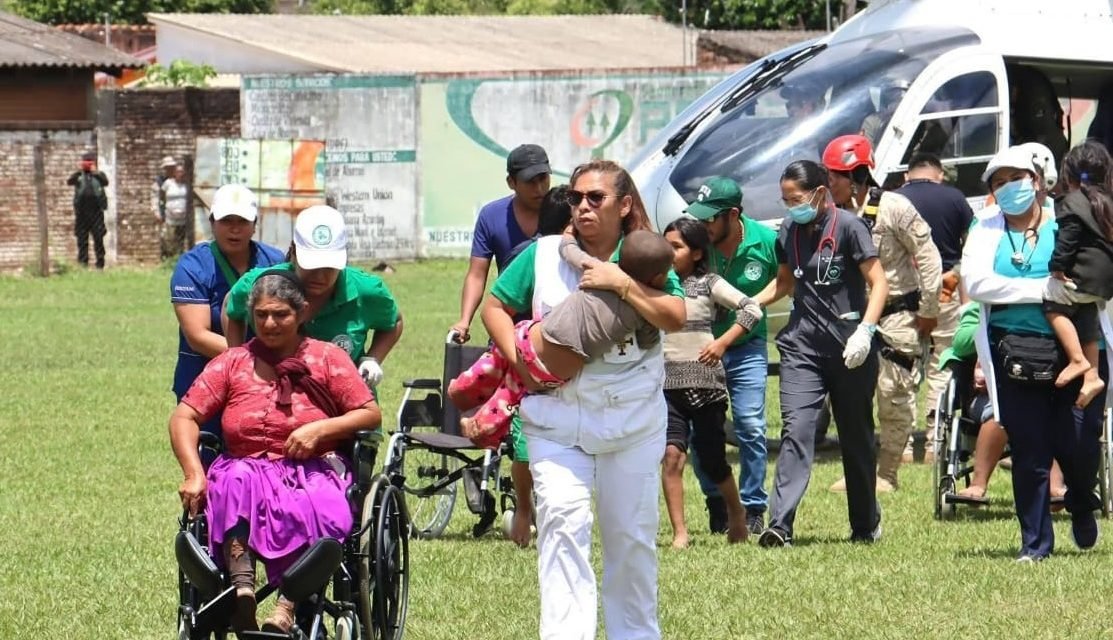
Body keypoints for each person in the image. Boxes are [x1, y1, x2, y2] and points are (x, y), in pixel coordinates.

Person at [481, 159, 685, 639]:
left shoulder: (644, 255)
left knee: (631, 542)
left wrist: (622, 284)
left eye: (597, 197)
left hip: (631, 426)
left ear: (625, 204)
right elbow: (494, 307)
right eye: (576, 198)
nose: (584, 206)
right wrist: (522, 360)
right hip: (556, 425)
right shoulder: (544, 253)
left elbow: (674, 316)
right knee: (563, 530)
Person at [170, 271, 382, 633]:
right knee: (234, 481)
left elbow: (369, 412)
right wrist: (194, 472)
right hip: (244, 465)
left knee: (321, 502)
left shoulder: (327, 358)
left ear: (301, 314)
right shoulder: (233, 361)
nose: (269, 323)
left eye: (280, 314)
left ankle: (287, 606)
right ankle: (241, 592)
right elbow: (185, 415)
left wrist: (320, 429)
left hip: (312, 467)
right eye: (261, 314)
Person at [963, 144, 1107, 561]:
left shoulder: (1069, 218)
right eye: (999, 182)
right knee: (1029, 448)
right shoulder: (986, 225)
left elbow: (1093, 275)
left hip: (1077, 348)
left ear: (1039, 181)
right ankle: (1035, 544)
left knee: (1078, 441)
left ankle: (1082, 498)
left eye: (1016, 179)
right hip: (1013, 351)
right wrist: (1043, 290)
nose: (1008, 188)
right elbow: (977, 283)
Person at [753, 160, 889, 547]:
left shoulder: (849, 227)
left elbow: (878, 283)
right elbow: (782, 283)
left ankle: (865, 524)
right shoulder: (789, 232)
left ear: (819, 192)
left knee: (856, 436)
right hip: (802, 346)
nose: (789, 206)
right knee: (797, 430)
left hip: (850, 348)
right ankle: (779, 526)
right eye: (784, 200)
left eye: (795, 199)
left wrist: (866, 330)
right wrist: (752, 303)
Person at [451, 230, 674, 448]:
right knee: (509, 395)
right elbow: (648, 340)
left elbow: (570, 253)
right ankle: (477, 426)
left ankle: (463, 387)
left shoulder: (599, 272)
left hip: (530, 334)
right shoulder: (640, 310)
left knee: (498, 362)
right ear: (658, 278)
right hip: (550, 370)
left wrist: (568, 237)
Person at [449, 185, 572, 548]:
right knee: (521, 442)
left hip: (572, 373)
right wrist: (521, 362)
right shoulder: (535, 255)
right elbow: (495, 305)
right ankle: (523, 508)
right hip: (522, 357)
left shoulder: (602, 258)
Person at [821, 135, 942, 492]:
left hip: (896, 315)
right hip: (849, 318)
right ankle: (859, 471)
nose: (829, 184)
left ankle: (887, 473)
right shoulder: (830, 215)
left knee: (893, 393)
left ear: (858, 174)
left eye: (835, 176)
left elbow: (928, 255)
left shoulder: (894, 208)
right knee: (851, 398)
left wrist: (929, 309)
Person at [682, 176, 778, 535]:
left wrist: (753, 303)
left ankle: (754, 505)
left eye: (709, 218)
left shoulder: (766, 241)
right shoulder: (694, 243)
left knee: (751, 426)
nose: (702, 225)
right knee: (701, 431)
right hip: (700, 349)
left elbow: (784, 281)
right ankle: (716, 501)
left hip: (747, 346)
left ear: (733, 214)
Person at [660, 216, 759, 548]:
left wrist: (722, 343)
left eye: (677, 247)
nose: (669, 252)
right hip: (666, 387)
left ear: (698, 253)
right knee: (672, 456)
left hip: (706, 387)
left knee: (713, 460)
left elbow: (751, 309)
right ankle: (680, 533)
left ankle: (736, 513)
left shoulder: (708, 284)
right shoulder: (656, 286)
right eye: (666, 245)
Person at [222, 205, 404, 381]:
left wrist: (372, 359)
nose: (320, 276)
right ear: (293, 253)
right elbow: (231, 306)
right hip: (279, 396)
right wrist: (238, 358)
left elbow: (394, 321)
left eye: (329, 267)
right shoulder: (264, 284)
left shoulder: (367, 290)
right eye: (312, 265)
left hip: (346, 401)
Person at [170, 184, 285, 440]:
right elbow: (197, 335)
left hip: (268, 383)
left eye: (242, 221)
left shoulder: (275, 262)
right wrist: (260, 360)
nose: (235, 228)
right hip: (204, 379)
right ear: (212, 222)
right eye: (226, 220)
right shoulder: (193, 266)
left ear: (255, 224)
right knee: (210, 460)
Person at [897, 152, 975, 452]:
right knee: (942, 363)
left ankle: (901, 443)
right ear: (939, 174)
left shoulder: (893, 199)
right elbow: (969, 248)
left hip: (903, 295)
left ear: (908, 175)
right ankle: (935, 441)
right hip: (945, 289)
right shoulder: (955, 198)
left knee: (901, 364)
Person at [451, 144, 552, 343]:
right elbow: (477, 274)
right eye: (530, 182)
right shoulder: (491, 216)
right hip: (506, 328)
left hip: (555, 329)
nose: (539, 189)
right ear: (511, 182)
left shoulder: (565, 210)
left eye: (543, 179)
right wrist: (464, 321)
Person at [1044, 140, 1113, 408]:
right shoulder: (1107, 200)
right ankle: (1092, 376)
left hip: (1083, 279)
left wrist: (1056, 268)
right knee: (1087, 314)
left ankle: (1076, 359)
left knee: (1053, 305)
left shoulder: (1071, 202)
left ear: (1068, 173)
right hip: (1104, 284)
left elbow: (1068, 241)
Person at [66, 151, 109, 269]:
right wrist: (79, 170)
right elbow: (69, 181)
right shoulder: (79, 176)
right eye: (86, 162)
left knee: (98, 238)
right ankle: (83, 263)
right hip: (82, 213)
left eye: (90, 162)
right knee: (82, 239)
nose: (88, 165)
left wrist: (96, 172)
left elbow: (106, 182)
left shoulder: (99, 176)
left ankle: (100, 264)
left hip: (96, 212)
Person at [860, 78, 909, 147]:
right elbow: (867, 149)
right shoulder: (872, 122)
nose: (900, 95)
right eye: (894, 93)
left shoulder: (917, 117)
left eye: (903, 91)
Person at [161, 164, 192, 260]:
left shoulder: (186, 185)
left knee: (181, 240)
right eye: (178, 171)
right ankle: (169, 259)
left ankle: (179, 258)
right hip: (170, 217)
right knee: (169, 239)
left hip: (182, 219)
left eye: (182, 171)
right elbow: (161, 196)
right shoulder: (168, 183)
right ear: (174, 173)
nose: (180, 174)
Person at [153, 155, 177, 224]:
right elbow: (155, 198)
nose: (170, 170)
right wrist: (157, 213)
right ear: (165, 169)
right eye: (168, 168)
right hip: (165, 214)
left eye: (172, 167)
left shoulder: (180, 180)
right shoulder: (159, 181)